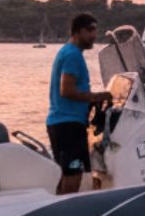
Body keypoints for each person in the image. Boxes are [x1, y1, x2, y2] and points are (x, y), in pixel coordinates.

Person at [47, 12, 113, 193]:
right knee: (73, 175)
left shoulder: (67, 52)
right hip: (68, 125)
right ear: (77, 31)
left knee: (66, 174)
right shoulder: (72, 55)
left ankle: (60, 207)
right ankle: (67, 209)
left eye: (95, 30)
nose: (94, 35)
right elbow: (66, 90)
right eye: (90, 30)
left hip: (62, 123)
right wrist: (96, 97)